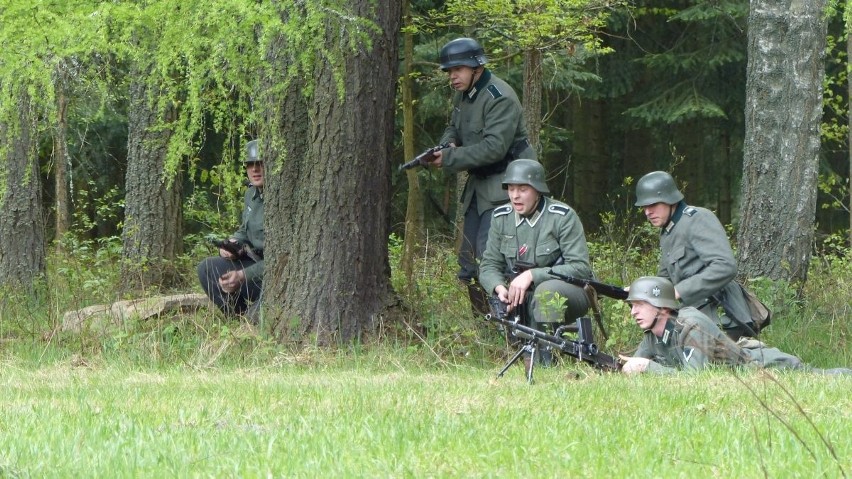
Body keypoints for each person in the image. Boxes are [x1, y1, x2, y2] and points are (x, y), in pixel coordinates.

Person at [426, 37, 536, 314]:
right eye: (449, 71)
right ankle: (485, 324)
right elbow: (454, 127)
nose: (452, 76)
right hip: (479, 185)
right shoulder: (464, 93)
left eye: (458, 69)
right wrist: (447, 144)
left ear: (476, 67)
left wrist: (449, 158)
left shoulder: (500, 97)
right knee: (467, 259)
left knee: (495, 258)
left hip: (508, 187)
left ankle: (511, 326)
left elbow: (494, 149)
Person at [479, 159, 593, 364]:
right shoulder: (500, 218)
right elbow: (489, 265)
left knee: (545, 292)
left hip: (571, 293)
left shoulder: (561, 217)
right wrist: (498, 288)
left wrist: (533, 275)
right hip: (524, 298)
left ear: (538, 190)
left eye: (523, 189)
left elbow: (580, 268)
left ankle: (548, 361)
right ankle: (531, 357)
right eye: (511, 189)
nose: (515, 196)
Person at [619, 276, 850, 375]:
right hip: (743, 366)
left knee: (817, 376)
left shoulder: (690, 326)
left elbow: (693, 380)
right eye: (632, 305)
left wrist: (647, 368)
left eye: (640, 304)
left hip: (762, 366)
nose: (634, 311)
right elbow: (638, 362)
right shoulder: (654, 333)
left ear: (662, 306)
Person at [635, 170, 754, 340]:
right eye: (644, 207)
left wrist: (679, 290)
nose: (647, 212)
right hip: (694, 318)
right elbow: (665, 279)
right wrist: (641, 291)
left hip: (723, 317)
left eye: (652, 205)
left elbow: (725, 266)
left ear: (669, 199)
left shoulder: (697, 218)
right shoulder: (668, 231)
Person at [197, 139, 264, 320]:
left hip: (274, 275)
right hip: (253, 266)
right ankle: (236, 318)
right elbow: (245, 229)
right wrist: (233, 244)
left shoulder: (281, 198)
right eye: (250, 165)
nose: (255, 169)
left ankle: (250, 317)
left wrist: (242, 275)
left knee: (258, 321)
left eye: (260, 163)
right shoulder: (251, 194)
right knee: (207, 268)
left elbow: (283, 259)